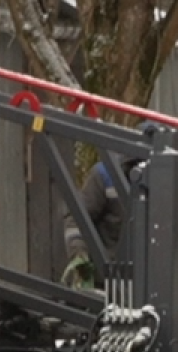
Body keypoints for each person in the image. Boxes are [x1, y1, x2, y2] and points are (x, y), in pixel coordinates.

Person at [61, 121, 160, 288]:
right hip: (107, 282)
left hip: (151, 283)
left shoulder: (169, 179)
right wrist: (79, 256)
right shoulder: (104, 175)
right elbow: (77, 219)